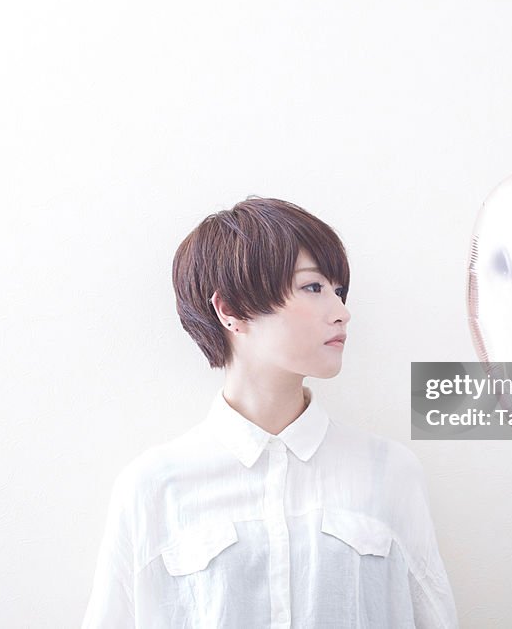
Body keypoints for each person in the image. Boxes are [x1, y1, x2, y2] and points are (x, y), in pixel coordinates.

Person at [82, 196, 458, 628]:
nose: (342, 312)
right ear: (231, 310)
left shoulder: (388, 472)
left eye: (339, 291)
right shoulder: (155, 486)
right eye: (313, 287)